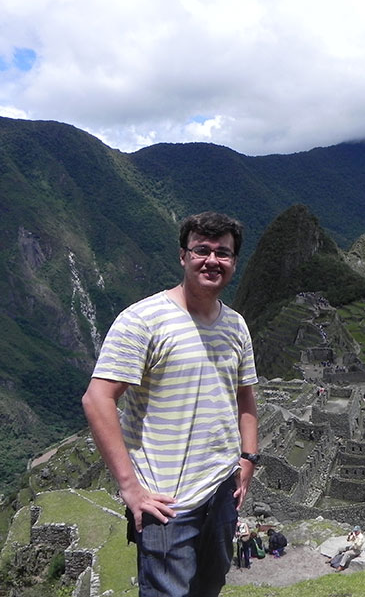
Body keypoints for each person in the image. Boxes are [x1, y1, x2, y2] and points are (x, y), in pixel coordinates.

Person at [82, 211, 259, 597]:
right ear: (183, 256)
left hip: (221, 492)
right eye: (202, 250)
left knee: (209, 586)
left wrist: (247, 460)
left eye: (223, 253)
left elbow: (245, 396)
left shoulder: (236, 326)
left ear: (233, 262)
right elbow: (97, 399)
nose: (212, 260)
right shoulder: (143, 320)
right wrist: (131, 489)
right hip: (167, 502)